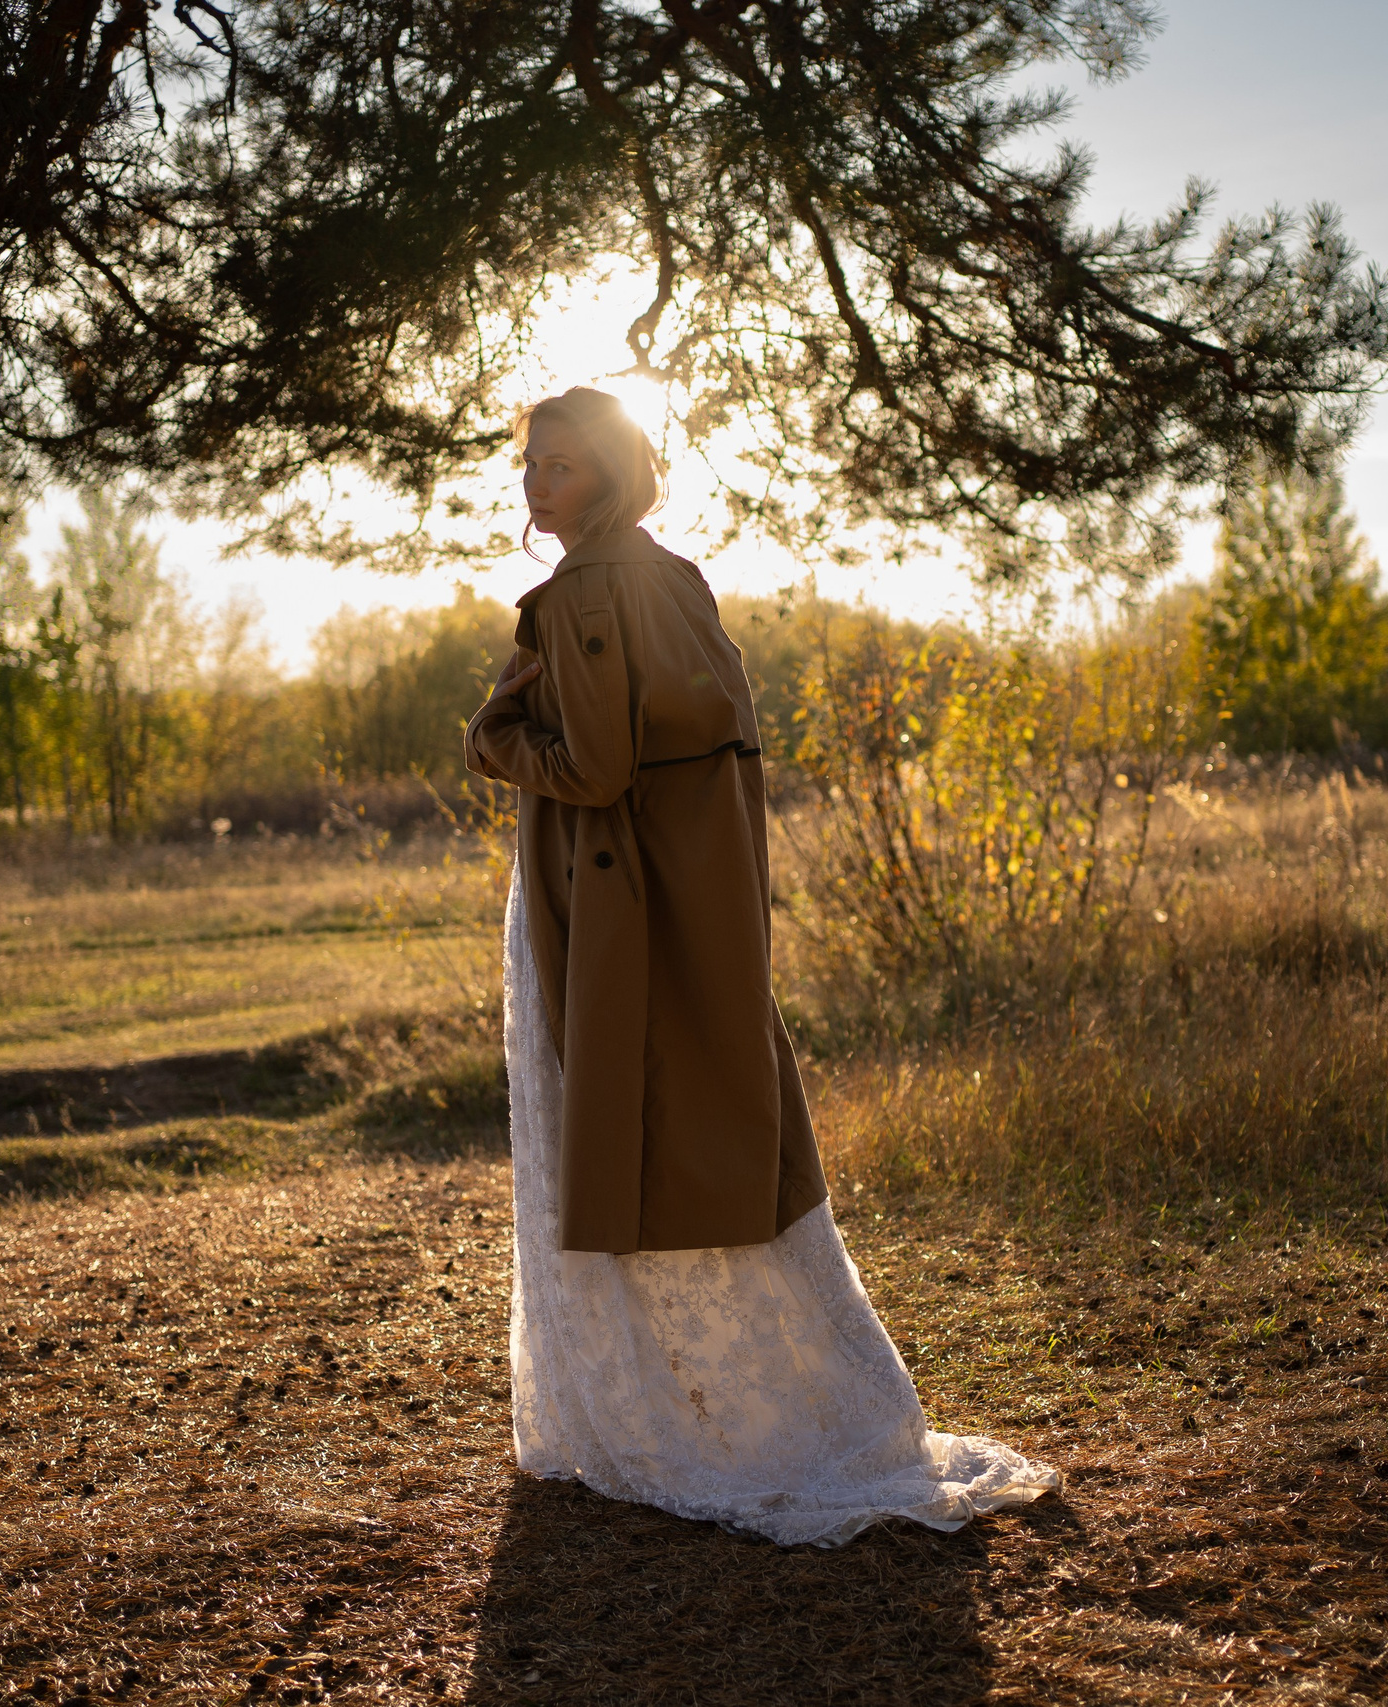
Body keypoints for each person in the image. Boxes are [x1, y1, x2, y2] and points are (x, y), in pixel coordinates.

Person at [463, 386, 1058, 1547]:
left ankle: (665, 1423)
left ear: (616, 474)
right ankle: (736, 1408)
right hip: (677, 916)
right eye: (533, 462)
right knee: (702, 1138)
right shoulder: (668, 577)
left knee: (623, 1137)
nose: (541, 482)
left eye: (567, 465)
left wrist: (490, 737)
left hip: (611, 915)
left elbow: (589, 768)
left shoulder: (586, 591)